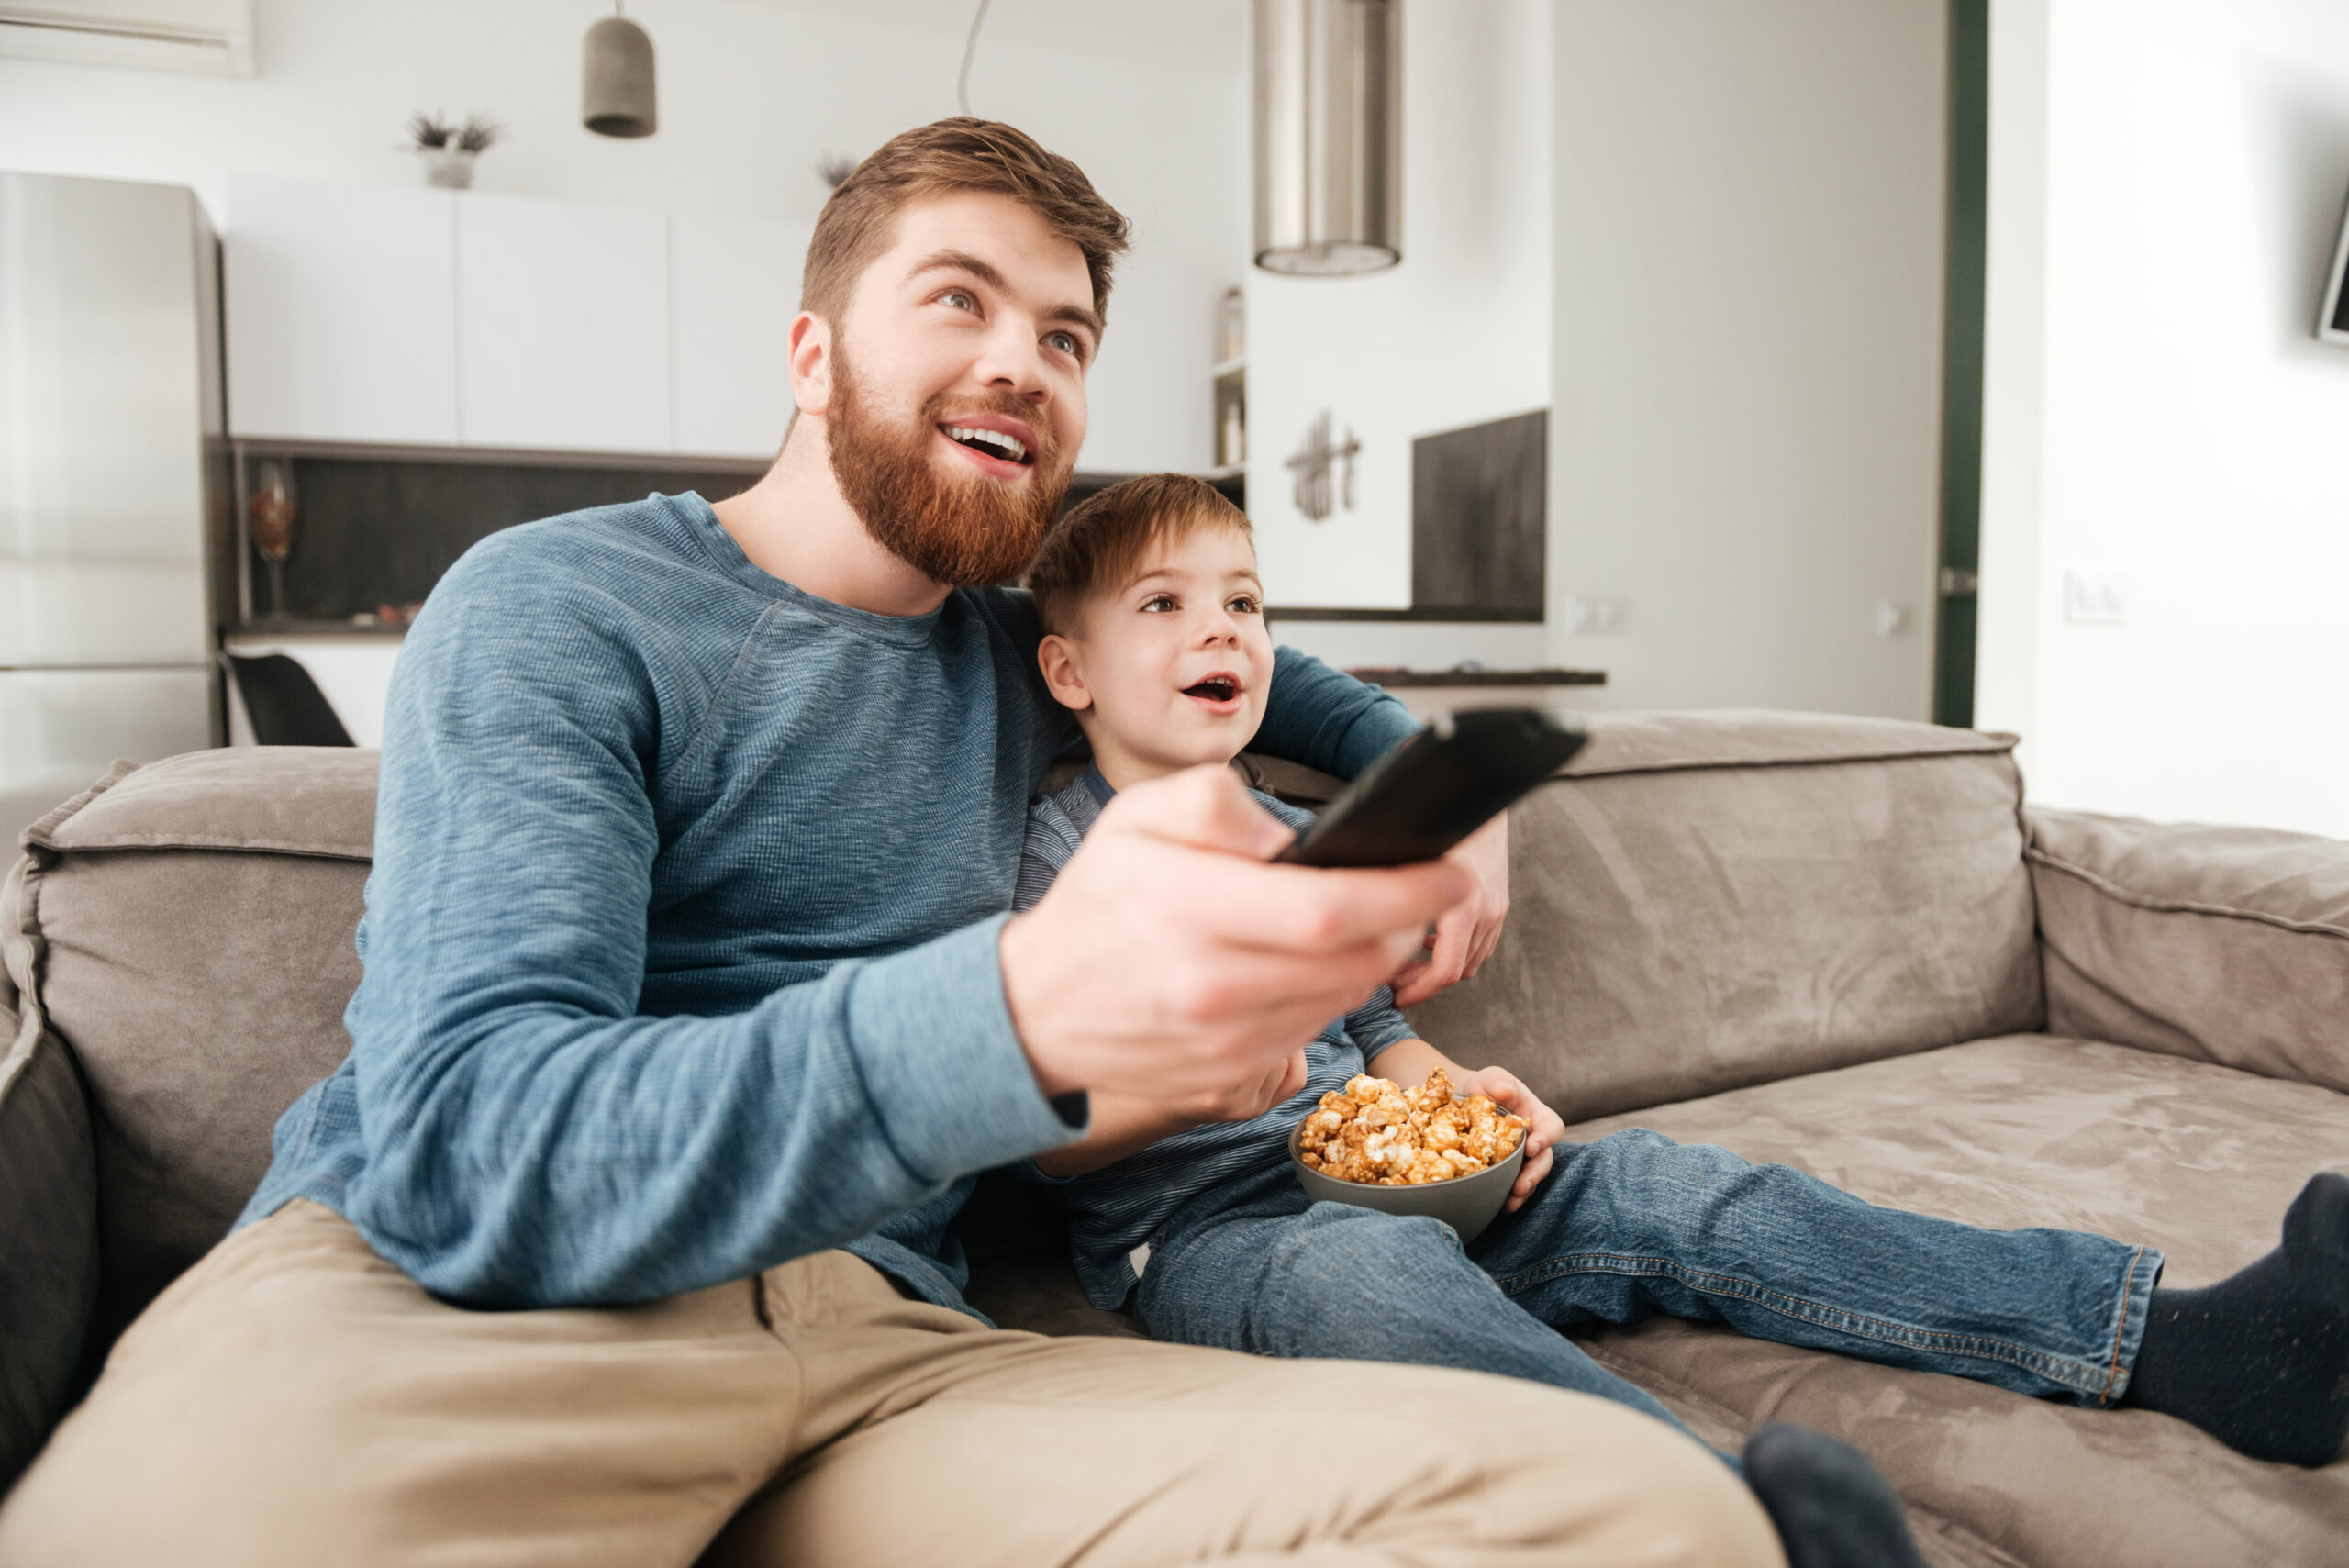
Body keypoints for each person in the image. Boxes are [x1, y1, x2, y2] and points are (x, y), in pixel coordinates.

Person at [0, 121, 1787, 1567]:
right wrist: (1021, 1017)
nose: (1022, 358)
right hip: (463, 1310)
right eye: (958, 299)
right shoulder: (563, 605)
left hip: (880, 1347)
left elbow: (1281, 672)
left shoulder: (1034, 653)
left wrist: (1443, 801)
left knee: (1639, 1517)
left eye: (1067, 334)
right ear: (811, 350)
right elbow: (475, 1144)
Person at [1004, 473, 2349, 1565]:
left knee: (1670, 1182)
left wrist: (1454, 1095)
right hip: (1206, 1232)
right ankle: (1740, 1520)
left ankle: (2172, 1338)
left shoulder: (1316, 841)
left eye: (1243, 601)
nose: (1222, 630)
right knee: (1365, 1278)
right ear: (1069, 670)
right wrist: (1191, 1089)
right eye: (1166, 605)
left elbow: (1376, 1041)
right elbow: (1036, 1137)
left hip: (1418, 1189)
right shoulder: (1048, 865)